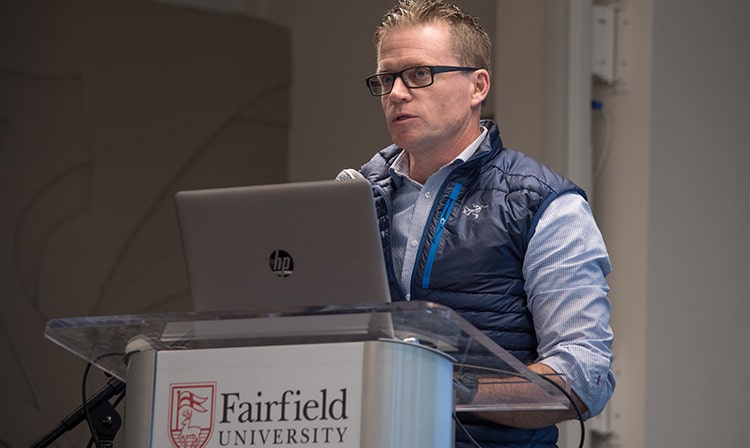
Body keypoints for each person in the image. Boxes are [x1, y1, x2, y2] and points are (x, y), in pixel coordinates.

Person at [355, 1, 615, 447]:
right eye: (386, 79)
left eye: (419, 74)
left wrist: (446, 390)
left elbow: (583, 373)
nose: (397, 93)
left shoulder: (545, 204)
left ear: (478, 86)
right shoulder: (353, 197)